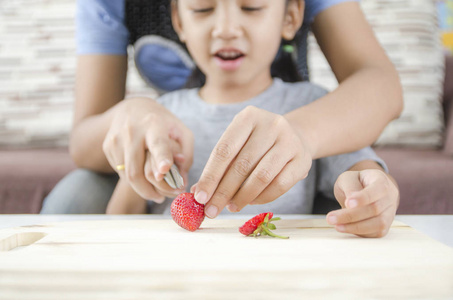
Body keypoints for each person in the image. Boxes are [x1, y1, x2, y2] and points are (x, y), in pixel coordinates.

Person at [41, 0, 402, 236]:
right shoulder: (167, 111)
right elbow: (121, 221)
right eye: (201, 9)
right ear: (178, 20)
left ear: (291, 16)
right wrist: (135, 168)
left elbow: (358, 167)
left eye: (252, 6)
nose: (226, 29)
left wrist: (372, 188)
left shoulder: (309, 101)